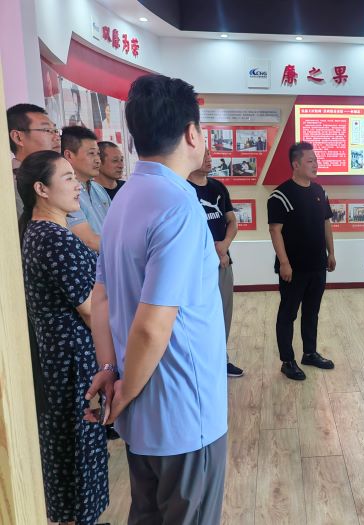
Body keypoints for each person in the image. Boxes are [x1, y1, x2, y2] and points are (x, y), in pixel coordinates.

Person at [85, 74, 228, 524]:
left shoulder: (124, 198)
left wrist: (111, 371)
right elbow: (151, 325)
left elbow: (102, 297)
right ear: (192, 133)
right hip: (184, 414)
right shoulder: (178, 205)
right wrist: (124, 391)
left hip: (141, 414)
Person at [17, 150, 109, 525]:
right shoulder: (54, 238)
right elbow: (90, 309)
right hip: (72, 363)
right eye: (68, 178)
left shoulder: (43, 232)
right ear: (41, 189)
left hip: (62, 359)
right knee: (77, 452)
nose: (77, 186)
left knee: (70, 451)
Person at [267, 141, 336, 381]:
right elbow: (275, 230)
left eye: (316, 160)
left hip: (317, 265)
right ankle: (287, 360)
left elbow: (326, 223)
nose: (315, 165)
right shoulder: (280, 195)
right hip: (293, 268)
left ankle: (310, 353)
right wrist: (284, 263)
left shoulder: (320, 192)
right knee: (288, 313)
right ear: (296, 165)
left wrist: (331, 252)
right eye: (310, 161)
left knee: (312, 311)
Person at [188, 147, 244, 378]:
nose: (209, 159)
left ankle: (221, 359)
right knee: (199, 318)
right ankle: (199, 364)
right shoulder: (183, 189)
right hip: (196, 268)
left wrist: (224, 245)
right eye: (204, 155)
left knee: (223, 313)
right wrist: (212, 250)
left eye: (210, 154)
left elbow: (231, 221)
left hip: (222, 262)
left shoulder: (218, 187)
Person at [7, 103, 62, 219]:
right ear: (18, 137)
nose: (57, 137)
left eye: (55, 130)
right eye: (47, 130)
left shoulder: (55, 175)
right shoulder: (9, 186)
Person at [62, 126, 109, 252]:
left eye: (98, 154)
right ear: (69, 155)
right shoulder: (65, 192)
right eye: (91, 153)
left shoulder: (98, 189)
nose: (98, 160)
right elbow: (89, 241)